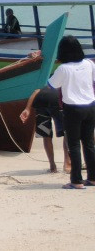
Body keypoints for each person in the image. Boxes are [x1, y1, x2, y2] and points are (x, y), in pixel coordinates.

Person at [46, 35, 95, 189]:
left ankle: (76, 180)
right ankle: (93, 178)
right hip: (91, 105)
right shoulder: (89, 63)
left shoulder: (63, 68)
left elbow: (52, 86)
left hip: (73, 108)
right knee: (89, 143)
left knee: (73, 144)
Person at [20, 86, 71, 174]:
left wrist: (27, 109)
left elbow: (35, 91)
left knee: (46, 135)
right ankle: (67, 164)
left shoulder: (46, 87)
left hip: (41, 104)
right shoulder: (64, 85)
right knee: (67, 133)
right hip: (56, 103)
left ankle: (52, 166)